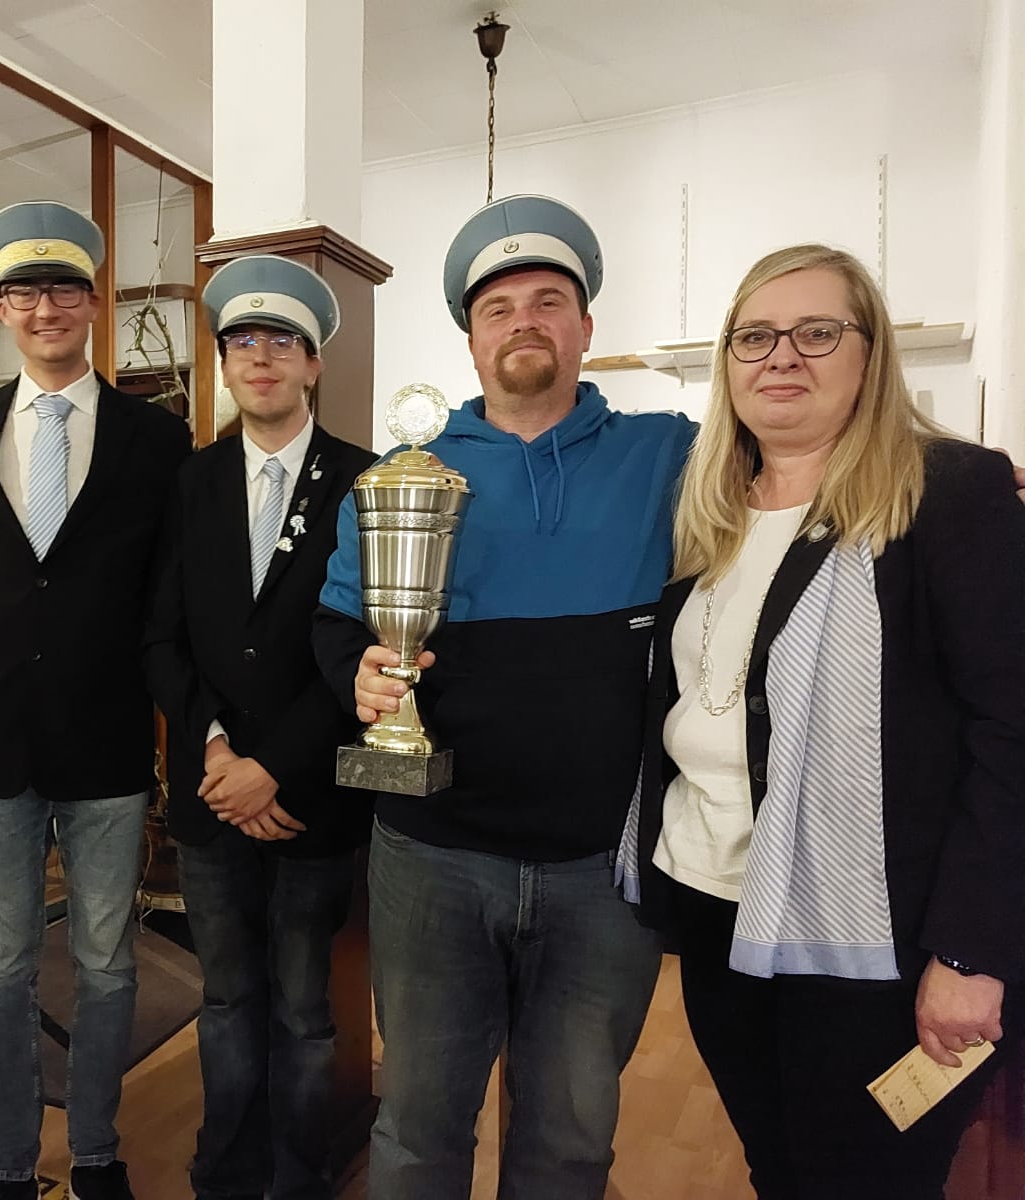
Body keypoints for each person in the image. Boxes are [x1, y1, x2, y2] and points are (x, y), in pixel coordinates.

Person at [617, 244, 1025, 1199]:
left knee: (870, 1181)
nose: (782, 357)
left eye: (817, 332)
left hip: (876, 943)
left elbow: (1010, 733)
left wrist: (972, 952)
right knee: (778, 1166)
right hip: (717, 908)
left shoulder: (946, 492)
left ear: (870, 352)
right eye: (755, 337)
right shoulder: (704, 510)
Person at [311, 195, 695, 1200]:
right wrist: (357, 674)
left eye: (548, 301)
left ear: (585, 327)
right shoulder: (401, 476)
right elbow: (339, 619)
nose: (524, 320)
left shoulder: (668, 454)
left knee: (570, 1140)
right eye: (498, 308)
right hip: (430, 860)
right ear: (471, 339)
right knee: (416, 1129)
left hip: (601, 869)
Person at [0, 200, 191, 1200]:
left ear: (93, 301)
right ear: (1, 308)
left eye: (63, 289)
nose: (44, 308)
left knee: (108, 966)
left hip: (107, 742)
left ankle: (94, 1153)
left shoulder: (154, 438)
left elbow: (166, 593)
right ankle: (7, 1163)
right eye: (23, 292)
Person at [143, 255, 375, 1200]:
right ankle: (226, 1173)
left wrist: (271, 766)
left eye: (284, 342)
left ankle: (299, 1178)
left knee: (306, 1012)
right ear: (225, 365)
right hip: (212, 798)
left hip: (312, 797)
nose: (262, 357)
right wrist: (216, 752)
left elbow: (364, 649)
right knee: (228, 1000)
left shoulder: (363, 481)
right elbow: (161, 637)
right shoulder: (189, 482)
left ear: (313, 363)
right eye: (243, 341)